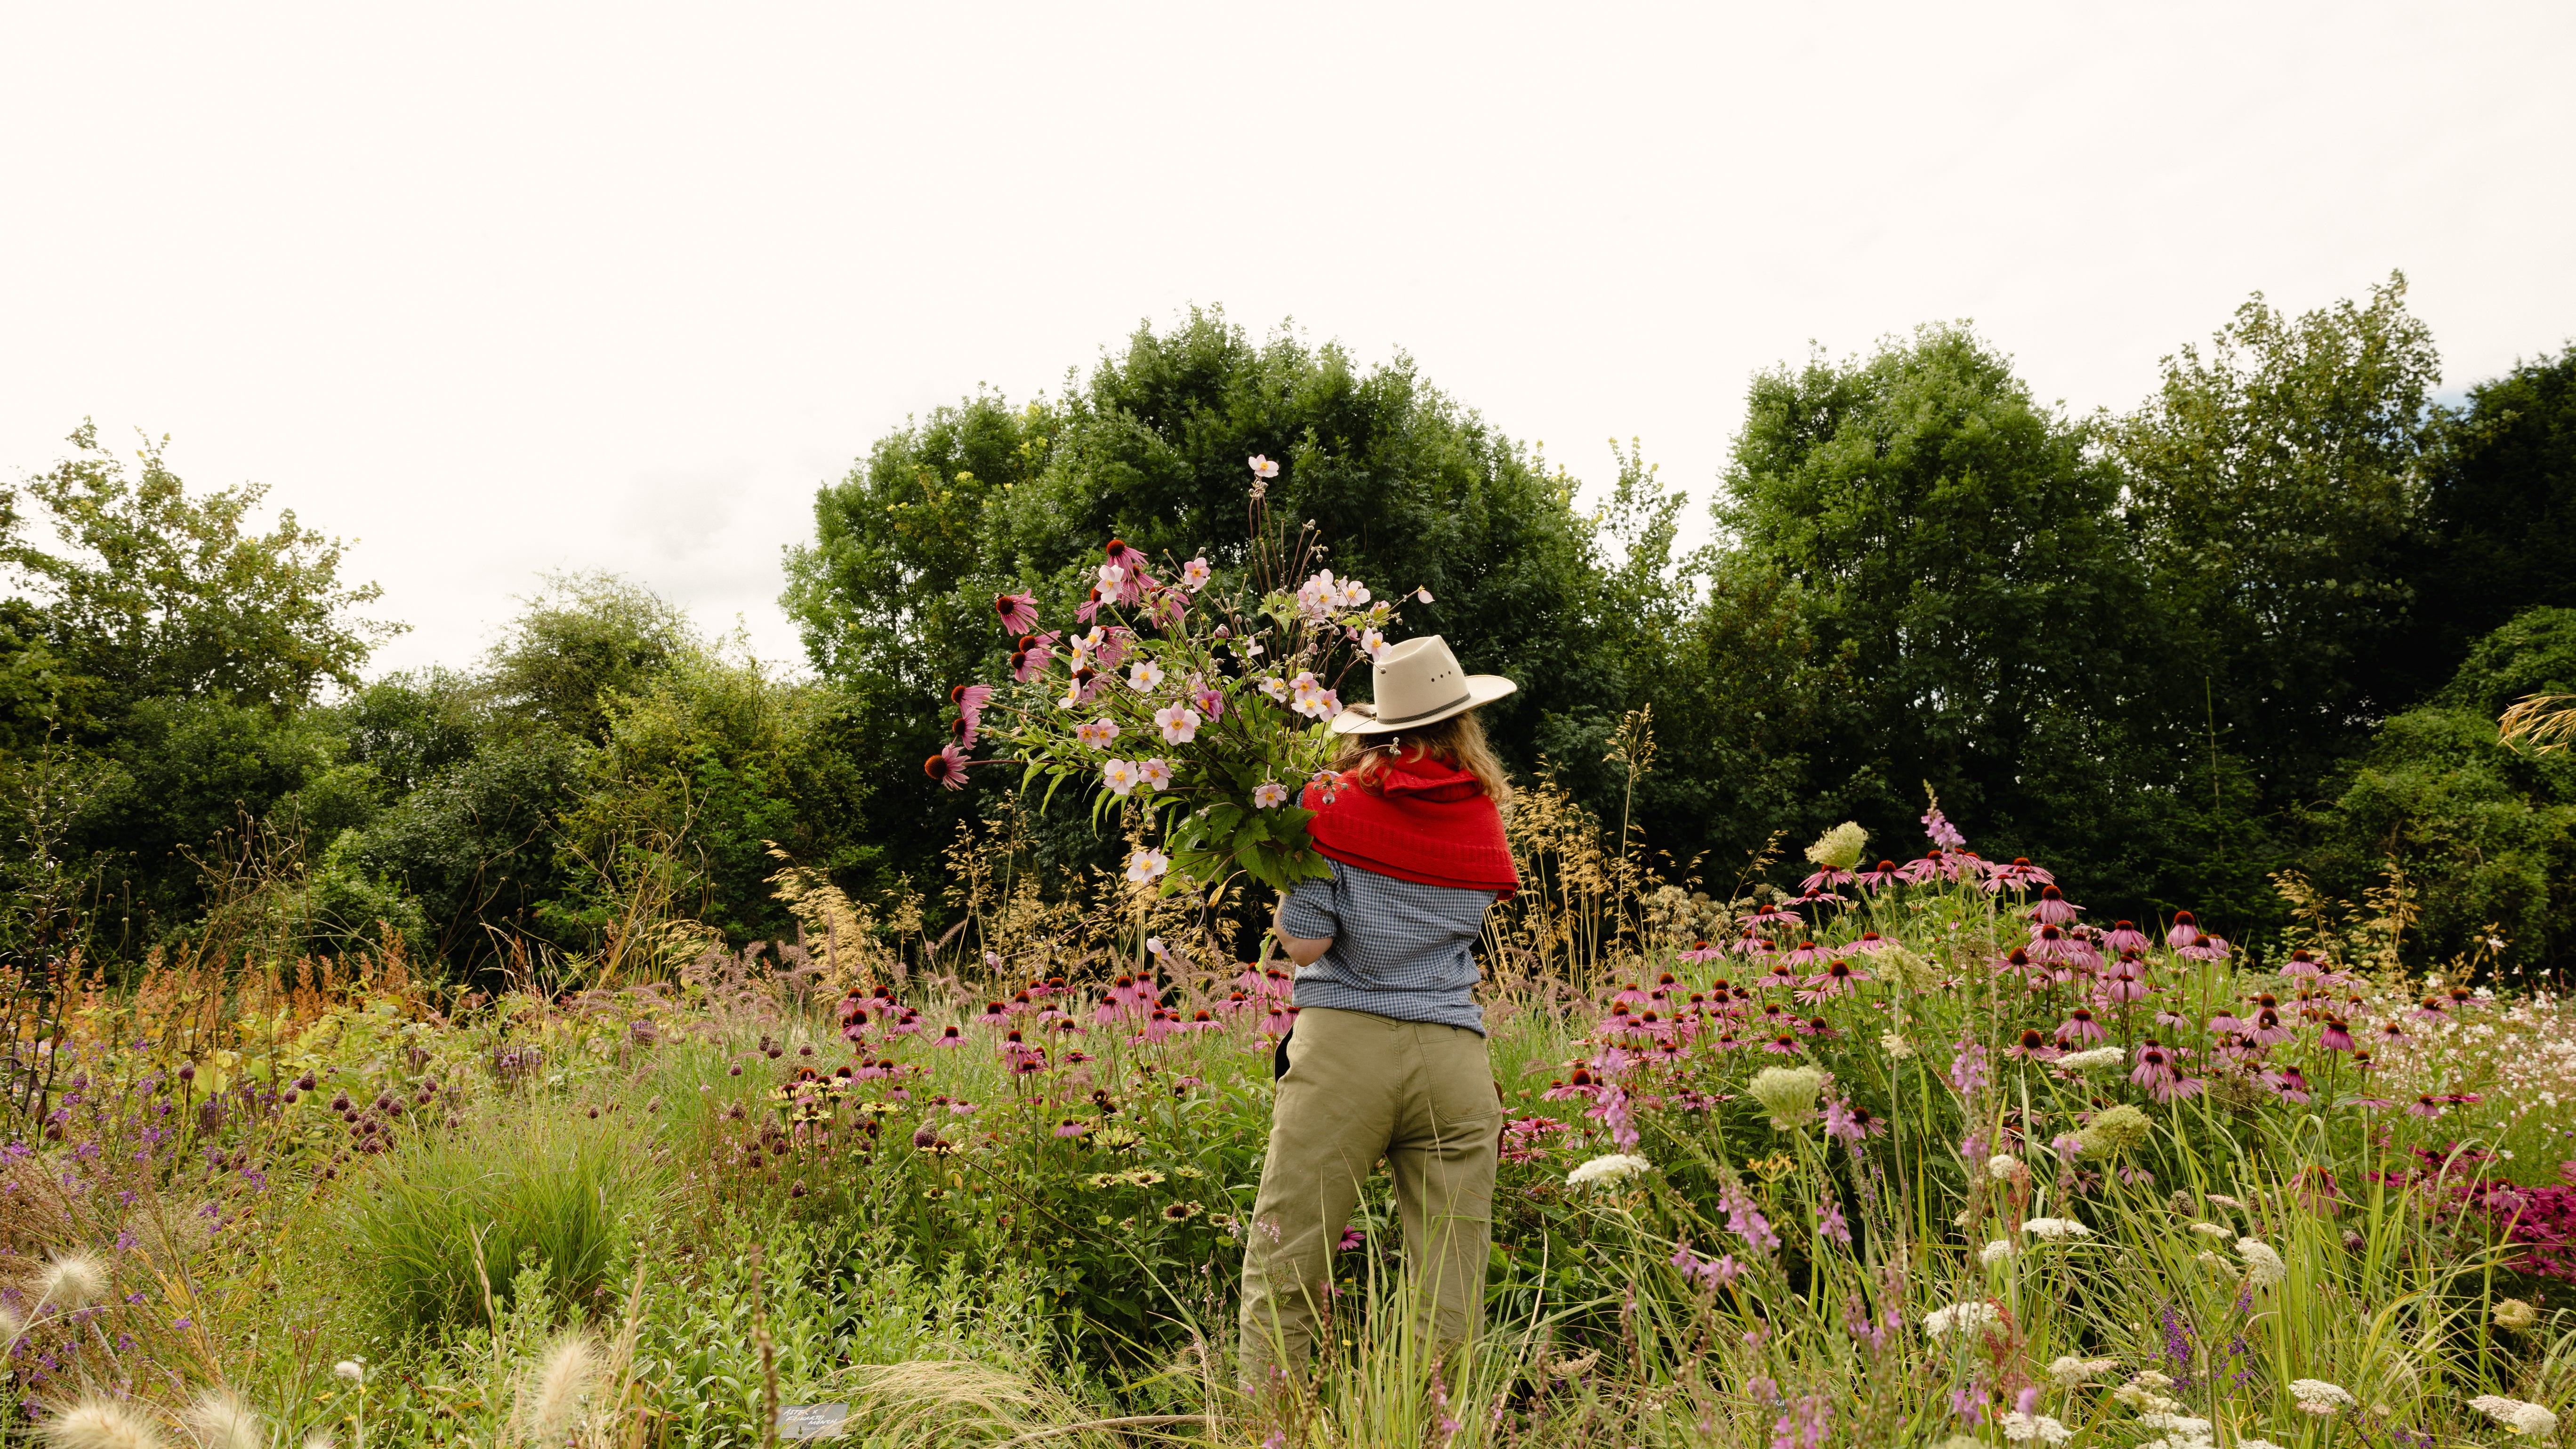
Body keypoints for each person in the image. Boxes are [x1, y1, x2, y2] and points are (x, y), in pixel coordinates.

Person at [1236, 634, 1520, 1391]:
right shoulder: (1482, 818)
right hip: (1453, 1058)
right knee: (1451, 1275)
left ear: (1379, 728)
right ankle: (1435, 1427)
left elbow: (1308, 943)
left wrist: (1283, 873)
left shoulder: (1329, 804)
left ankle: (1270, 1429)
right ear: (1463, 723)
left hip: (1344, 1050)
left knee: (1287, 1257)